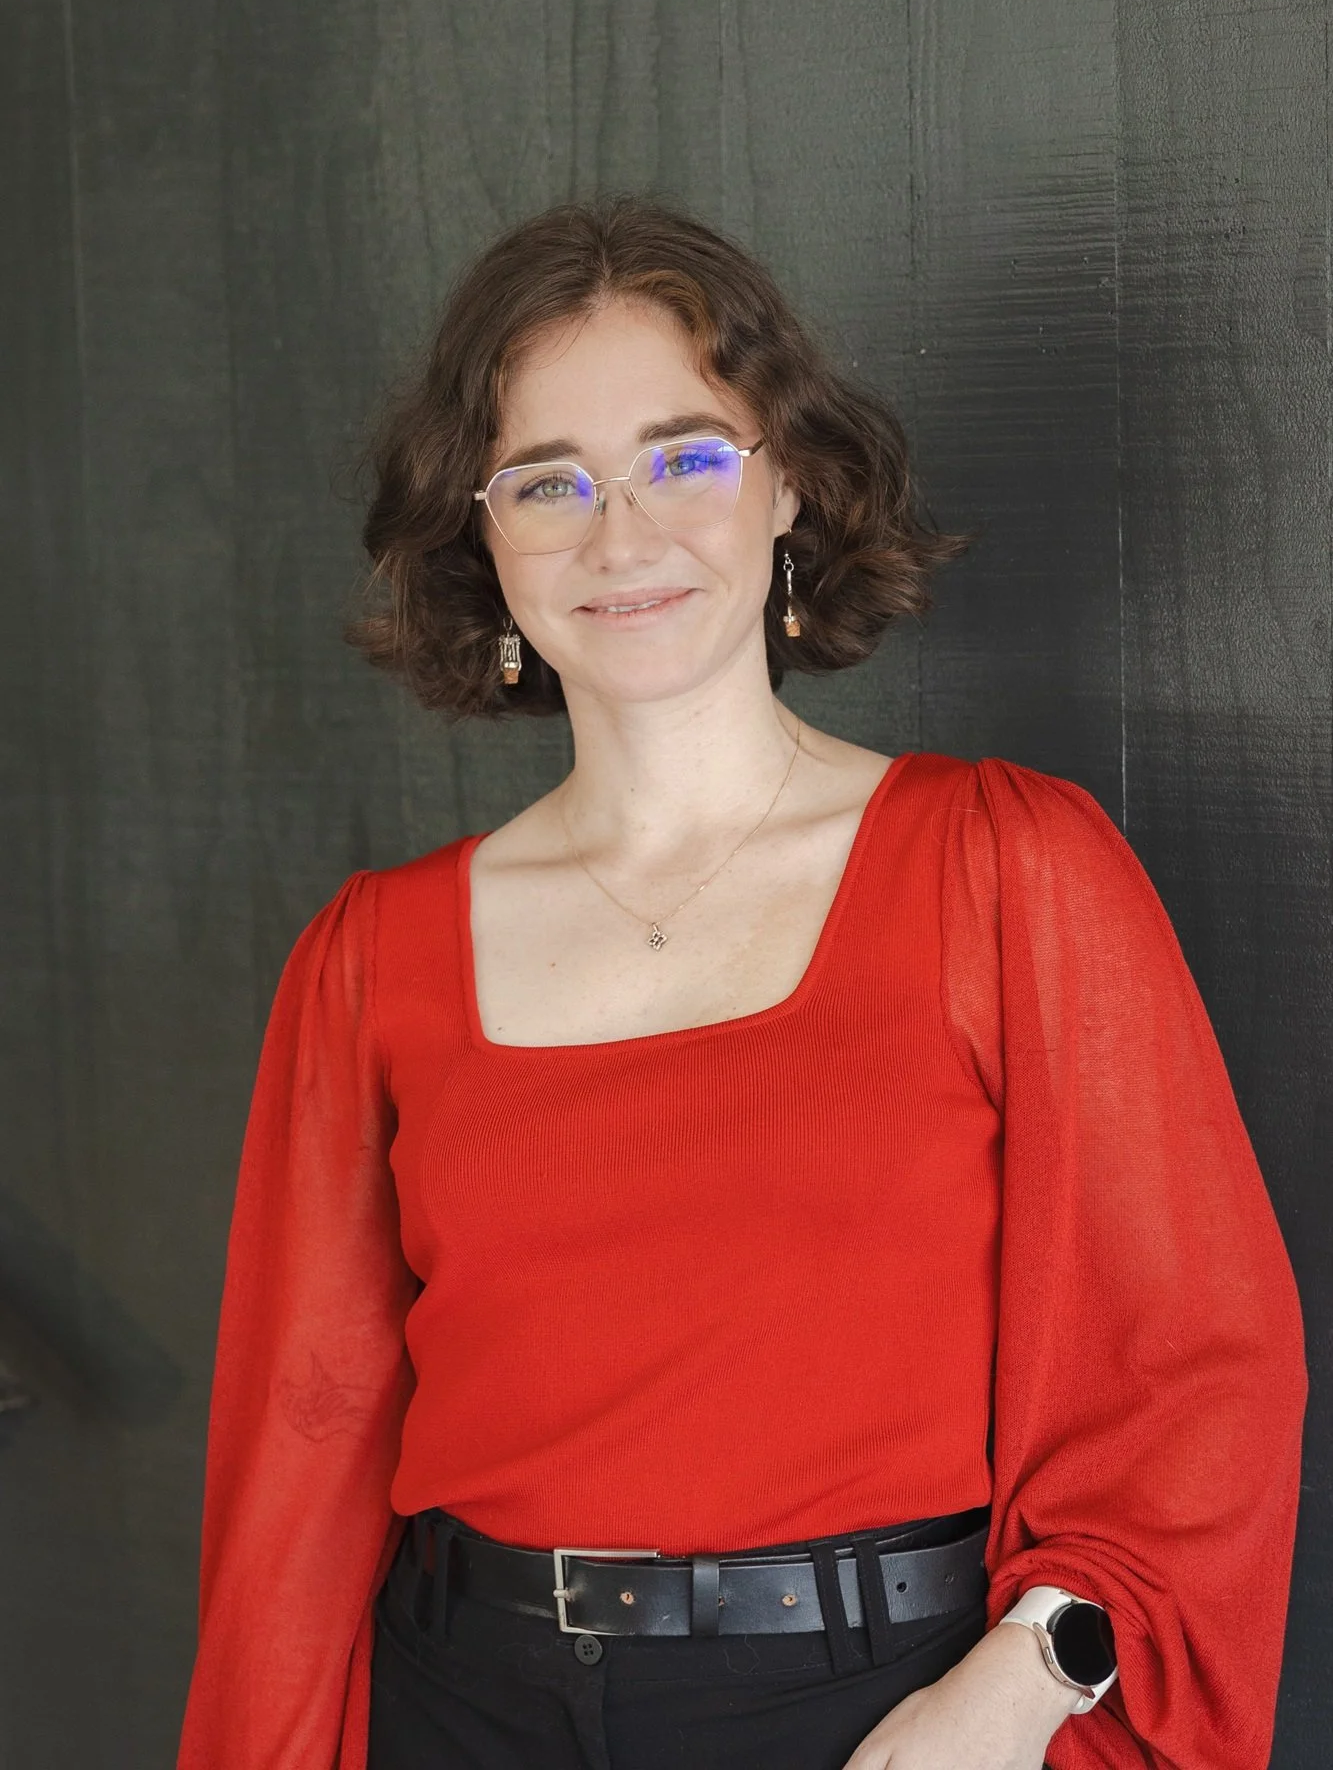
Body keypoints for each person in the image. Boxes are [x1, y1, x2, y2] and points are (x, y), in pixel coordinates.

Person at [176, 195, 1306, 1770]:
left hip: (887, 1718)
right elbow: (294, 1467)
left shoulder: (1006, 869)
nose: (620, 535)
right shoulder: (371, 961)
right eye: (546, 481)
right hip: (458, 1706)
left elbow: (1196, 1376)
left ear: (787, 481)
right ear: (480, 536)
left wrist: (1024, 1688)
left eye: (685, 456)